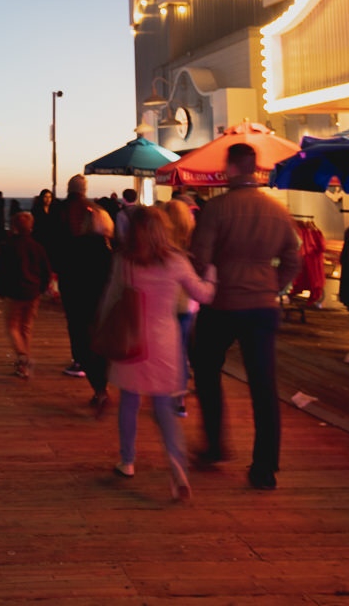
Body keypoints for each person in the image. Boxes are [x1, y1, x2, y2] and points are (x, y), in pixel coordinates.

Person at [188, 143, 301, 490]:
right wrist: (271, 285)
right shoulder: (276, 211)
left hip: (222, 304)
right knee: (263, 386)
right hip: (262, 305)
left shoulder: (218, 209)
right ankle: (264, 467)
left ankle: (215, 445)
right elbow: (292, 259)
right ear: (255, 169)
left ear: (231, 168)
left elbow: (200, 258)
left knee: (205, 367)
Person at [104, 205, 215, 498]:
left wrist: (102, 332)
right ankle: (177, 469)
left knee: (129, 400)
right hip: (165, 342)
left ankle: (127, 460)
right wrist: (213, 274)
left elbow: (111, 299)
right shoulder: (176, 261)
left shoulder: (125, 260)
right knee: (164, 408)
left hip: (132, 340)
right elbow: (202, 294)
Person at [52, 175, 114, 408]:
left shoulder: (75, 245)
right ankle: (102, 386)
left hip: (76, 299)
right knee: (99, 343)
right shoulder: (109, 251)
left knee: (81, 342)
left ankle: (98, 387)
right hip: (101, 302)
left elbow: (61, 259)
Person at [0, 210, 53, 378]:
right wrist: (41, 288)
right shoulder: (38, 247)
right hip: (33, 292)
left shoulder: (8, 247)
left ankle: (22, 356)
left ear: (14, 227)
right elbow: (46, 271)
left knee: (13, 327)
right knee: (26, 328)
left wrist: (1, 289)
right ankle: (23, 366)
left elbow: (1, 270)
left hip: (14, 293)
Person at [160, 196, 199, 416]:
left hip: (163, 302)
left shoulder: (159, 243)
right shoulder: (193, 242)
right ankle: (179, 398)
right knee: (181, 350)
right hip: (187, 303)